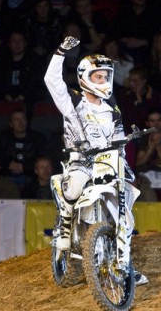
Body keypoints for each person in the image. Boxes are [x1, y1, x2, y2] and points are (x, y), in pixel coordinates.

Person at [43, 35, 147, 284]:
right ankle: (65, 224)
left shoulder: (113, 110)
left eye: (106, 76)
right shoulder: (72, 101)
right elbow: (51, 80)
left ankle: (124, 264)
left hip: (106, 163)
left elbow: (119, 141)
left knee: (125, 214)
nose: (103, 81)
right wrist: (60, 53)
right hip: (80, 160)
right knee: (74, 186)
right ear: (84, 77)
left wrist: (123, 163)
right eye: (98, 76)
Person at [0, 108, 46, 188]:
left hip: (31, 176)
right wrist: (9, 164)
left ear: (27, 122)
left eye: (23, 119)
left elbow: (43, 158)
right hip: (8, 175)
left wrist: (24, 167)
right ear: (11, 124)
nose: (20, 123)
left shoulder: (37, 138)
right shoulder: (4, 137)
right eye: (16, 120)